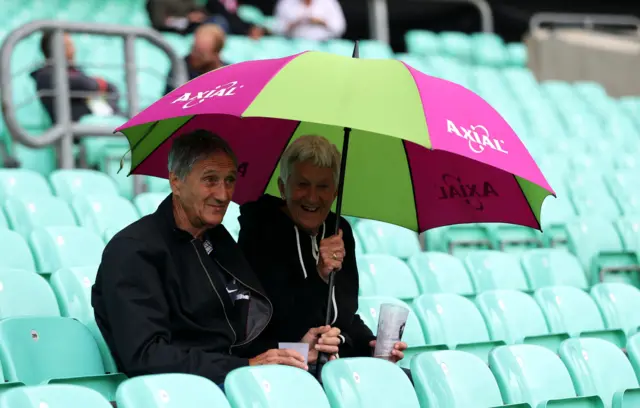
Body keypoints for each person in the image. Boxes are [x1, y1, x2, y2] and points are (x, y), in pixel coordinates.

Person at [92, 129, 342, 386]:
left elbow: (239, 342)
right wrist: (245, 367)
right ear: (176, 181)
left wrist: (296, 351)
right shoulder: (133, 251)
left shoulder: (218, 242)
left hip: (235, 385)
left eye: (230, 180)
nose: (223, 195)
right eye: (210, 180)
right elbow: (146, 355)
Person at [238, 135, 408, 364]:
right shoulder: (260, 231)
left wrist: (369, 344)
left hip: (331, 366)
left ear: (335, 192)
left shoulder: (339, 231)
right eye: (302, 184)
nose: (311, 197)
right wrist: (319, 275)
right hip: (281, 365)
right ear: (282, 187)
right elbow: (274, 324)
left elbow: (344, 316)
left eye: (323, 187)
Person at [31, 31, 123, 123]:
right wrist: (100, 84)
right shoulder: (45, 76)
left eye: (71, 46)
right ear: (51, 50)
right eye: (66, 47)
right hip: (77, 132)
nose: (72, 50)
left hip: (105, 123)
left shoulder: (76, 72)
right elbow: (86, 84)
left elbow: (113, 90)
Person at [164, 23, 227, 95]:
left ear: (216, 54)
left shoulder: (228, 73)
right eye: (193, 49)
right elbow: (168, 99)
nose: (194, 56)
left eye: (201, 54)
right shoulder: (179, 68)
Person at [273, 0, 346, 41]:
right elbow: (276, 28)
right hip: (293, 44)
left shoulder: (329, 2)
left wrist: (321, 22)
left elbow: (340, 28)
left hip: (324, 44)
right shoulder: (285, 3)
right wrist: (293, 24)